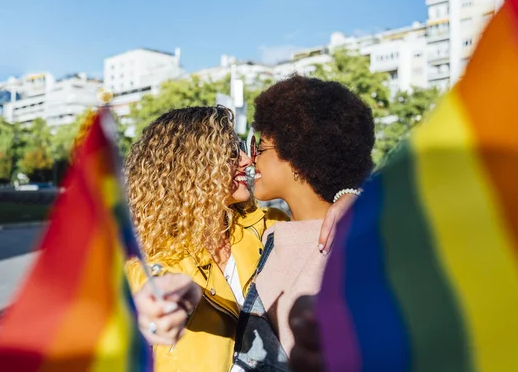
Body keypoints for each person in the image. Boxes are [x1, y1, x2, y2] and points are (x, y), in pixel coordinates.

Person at [125, 106, 353, 372]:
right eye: (233, 152)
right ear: (192, 166)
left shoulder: (271, 224)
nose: (247, 160)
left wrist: (349, 195)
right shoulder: (146, 266)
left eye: (243, 148)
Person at [232, 75, 375, 371]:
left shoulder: (338, 246)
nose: (250, 159)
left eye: (260, 147)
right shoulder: (276, 233)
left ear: (296, 157)